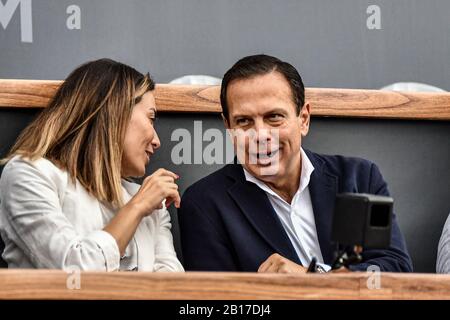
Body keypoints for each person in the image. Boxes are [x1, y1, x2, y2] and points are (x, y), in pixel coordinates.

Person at [178, 54, 413, 273]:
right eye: (244, 121)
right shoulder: (204, 204)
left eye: (274, 117)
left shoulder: (360, 177)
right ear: (229, 128)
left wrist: (313, 278)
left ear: (304, 119)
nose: (260, 134)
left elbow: (395, 269)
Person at [0, 59, 183, 272]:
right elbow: (75, 272)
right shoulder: (29, 175)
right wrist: (137, 208)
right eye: (150, 118)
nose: (157, 141)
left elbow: (171, 285)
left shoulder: (150, 204)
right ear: (115, 112)